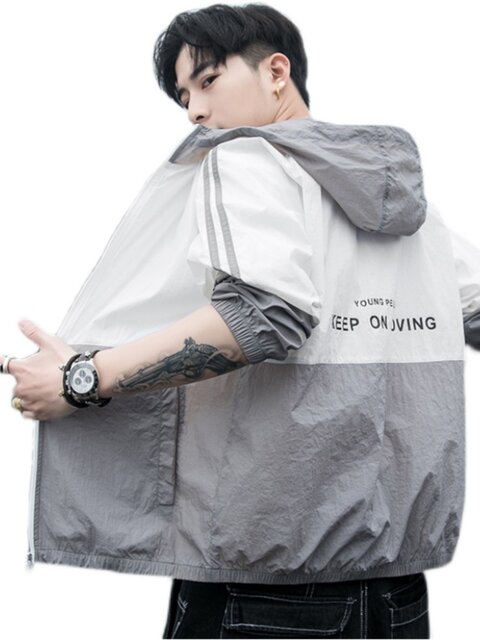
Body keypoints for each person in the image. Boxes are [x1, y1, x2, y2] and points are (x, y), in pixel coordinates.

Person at [1, 3, 480, 639]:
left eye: (207, 81)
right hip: (398, 590)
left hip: (263, 585)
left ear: (276, 72)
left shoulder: (247, 160)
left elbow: (266, 313)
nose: (194, 112)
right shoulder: (410, 213)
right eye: (183, 97)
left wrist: (80, 378)